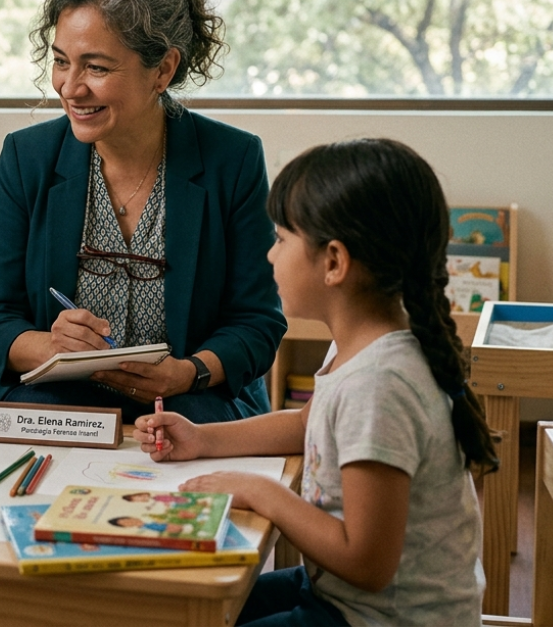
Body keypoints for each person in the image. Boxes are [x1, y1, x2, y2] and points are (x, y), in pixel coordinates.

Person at [134, 138, 497, 626]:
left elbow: (367, 563)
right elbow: (310, 423)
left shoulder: (381, 384)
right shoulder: (364, 348)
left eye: (281, 239)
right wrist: (202, 439)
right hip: (341, 596)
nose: (269, 255)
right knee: (190, 607)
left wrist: (264, 493)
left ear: (334, 262)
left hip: (380, 617)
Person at [0, 0, 286, 424]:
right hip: (55, 403)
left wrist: (188, 373)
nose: (70, 88)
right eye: (60, 62)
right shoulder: (26, 157)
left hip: (189, 403)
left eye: (96, 68)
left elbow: (257, 322)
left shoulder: (232, 159)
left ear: (163, 70)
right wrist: (50, 346)